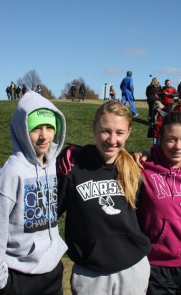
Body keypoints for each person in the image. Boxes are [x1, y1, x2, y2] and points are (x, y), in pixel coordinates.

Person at [0, 91, 68, 295]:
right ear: (22, 131)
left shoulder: (52, 167)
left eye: (50, 127)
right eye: (36, 129)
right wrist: (1, 281)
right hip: (18, 279)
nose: (44, 136)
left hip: (51, 274)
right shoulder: (11, 174)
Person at [57, 100, 151, 294]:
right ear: (94, 128)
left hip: (134, 269)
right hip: (91, 274)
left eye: (119, 133)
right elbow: (51, 214)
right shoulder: (73, 167)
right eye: (105, 131)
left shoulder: (135, 169)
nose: (112, 139)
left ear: (129, 133)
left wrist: (148, 153)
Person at [137, 111, 181, 295]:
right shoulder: (144, 169)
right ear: (160, 139)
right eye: (171, 139)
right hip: (156, 265)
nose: (178, 146)